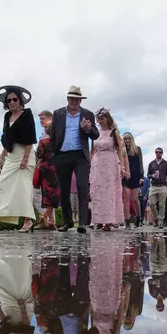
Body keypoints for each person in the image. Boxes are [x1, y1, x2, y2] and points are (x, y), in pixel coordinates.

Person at [0, 85, 37, 232]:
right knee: (2, 185)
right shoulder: (7, 117)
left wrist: (25, 160)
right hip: (12, 156)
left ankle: (27, 221)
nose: (12, 102)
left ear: (20, 101)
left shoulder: (27, 115)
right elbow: (7, 139)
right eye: (9, 100)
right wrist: (0, 159)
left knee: (24, 188)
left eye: (15, 99)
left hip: (26, 153)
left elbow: (30, 139)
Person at [49, 86, 99, 233]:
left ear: (80, 100)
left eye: (77, 99)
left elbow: (95, 135)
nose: (74, 101)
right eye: (72, 98)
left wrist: (88, 129)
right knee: (63, 190)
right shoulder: (58, 114)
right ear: (67, 99)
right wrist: (54, 154)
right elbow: (53, 136)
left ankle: (82, 222)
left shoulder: (87, 114)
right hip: (62, 155)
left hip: (80, 156)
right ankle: (67, 221)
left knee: (83, 187)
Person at [89, 108, 127, 232]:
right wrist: (90, 164)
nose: (100, 120)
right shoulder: (96, 133)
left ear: (107, 118)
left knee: (109, 191)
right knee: (98, 190)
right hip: (97, 163)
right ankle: (98, 219)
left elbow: (120, 150)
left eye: (102, 118)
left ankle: (108, 220)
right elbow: (92, 150)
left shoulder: (114, 132)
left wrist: (122, 166)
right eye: (98, 118)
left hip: (110, 162)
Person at [34, 110, 60, 230]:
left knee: (46, 195)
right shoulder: (58, 141)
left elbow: (39, 154)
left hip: (45, 168)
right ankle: (51, 221)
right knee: (53, 194)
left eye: (43, 118)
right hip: (56, 168)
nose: (41, 121)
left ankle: (45, 217)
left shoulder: (43, 141)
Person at [121, 132, 144, 229]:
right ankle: (127, 221)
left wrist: (141, 176)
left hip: (135, 176)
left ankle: (138, 217)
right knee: (126, 199)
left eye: (128, 139)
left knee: (135, 199)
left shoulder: (137, 149)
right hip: (126, 176)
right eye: (125, 139)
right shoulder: (122, 150)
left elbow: (140, 163)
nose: (127, 141)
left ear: (132, 139)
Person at [146, 147, 167, 228]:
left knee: (161, 205)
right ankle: (156, 218)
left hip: (163, 186)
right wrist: (152, 175)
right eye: (157, 152)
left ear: (162, 153)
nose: (158, 153)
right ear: (155, 153)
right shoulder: (151, 163)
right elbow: (148, 175)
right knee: (151, 203)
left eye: (160, 152)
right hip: (153, 186)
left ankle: (160, 221)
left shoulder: (166, 163)